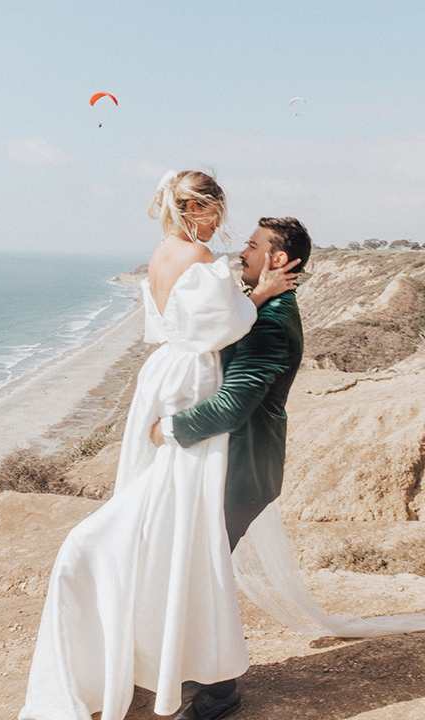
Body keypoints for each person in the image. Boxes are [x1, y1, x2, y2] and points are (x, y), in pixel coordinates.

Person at [18, 170, 300, 720]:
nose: (229, 232)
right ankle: (185, 670)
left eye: (252, 244)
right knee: (183, 541)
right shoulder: (199, 258)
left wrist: (250, 297)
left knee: (179, 539)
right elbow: (222, 325)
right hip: (189, 382)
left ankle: (180, 669)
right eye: (220, 213)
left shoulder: (165, 252)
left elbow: (186, 325)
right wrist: (257, 295)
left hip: (165, 377)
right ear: (201, 208)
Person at [151, 216, 310, 719]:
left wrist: (169, 429)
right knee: (200, 568)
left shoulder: (271, 321)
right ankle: (197, 667)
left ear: (279, 260)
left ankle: (220, 693)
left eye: (252, 245)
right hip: (232, 464)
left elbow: (235, 403)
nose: (241, 252)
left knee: (206, 574)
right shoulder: (265, 306)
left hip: (242, 468)